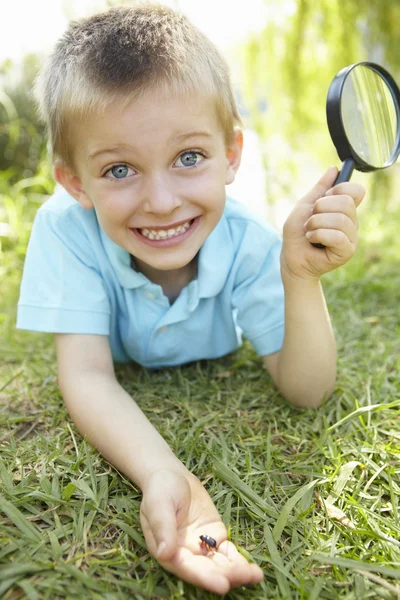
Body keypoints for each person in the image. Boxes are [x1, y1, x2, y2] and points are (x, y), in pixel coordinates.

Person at [16, 4, 365, 595]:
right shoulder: (64, 229)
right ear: (75, 183)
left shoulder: (252, 242)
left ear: (230, 155)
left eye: (189, 158)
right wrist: (161, 471)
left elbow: (308, 391)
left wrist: (300, 279)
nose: (161, 201)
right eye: (120, 168)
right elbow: (88, 375)